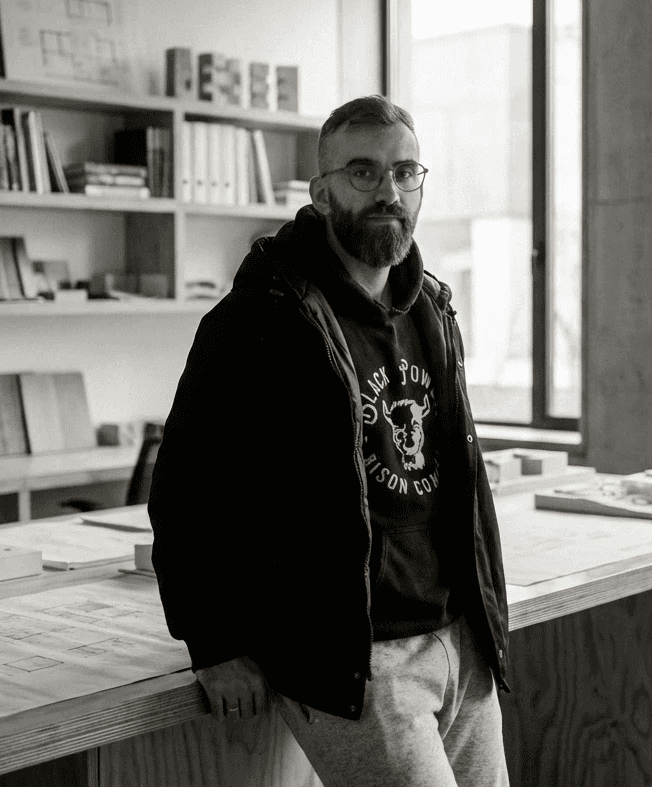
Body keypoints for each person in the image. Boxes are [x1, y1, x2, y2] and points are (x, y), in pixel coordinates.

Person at [148, 95, 510, 787]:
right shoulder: (261, 318)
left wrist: (480, 620)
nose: (389, 192)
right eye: (363, 173)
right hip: (354, 657)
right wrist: (214, 641)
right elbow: (186, 487)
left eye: (406, 172)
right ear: (320, 192)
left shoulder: (431, 307)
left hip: (458, 636)